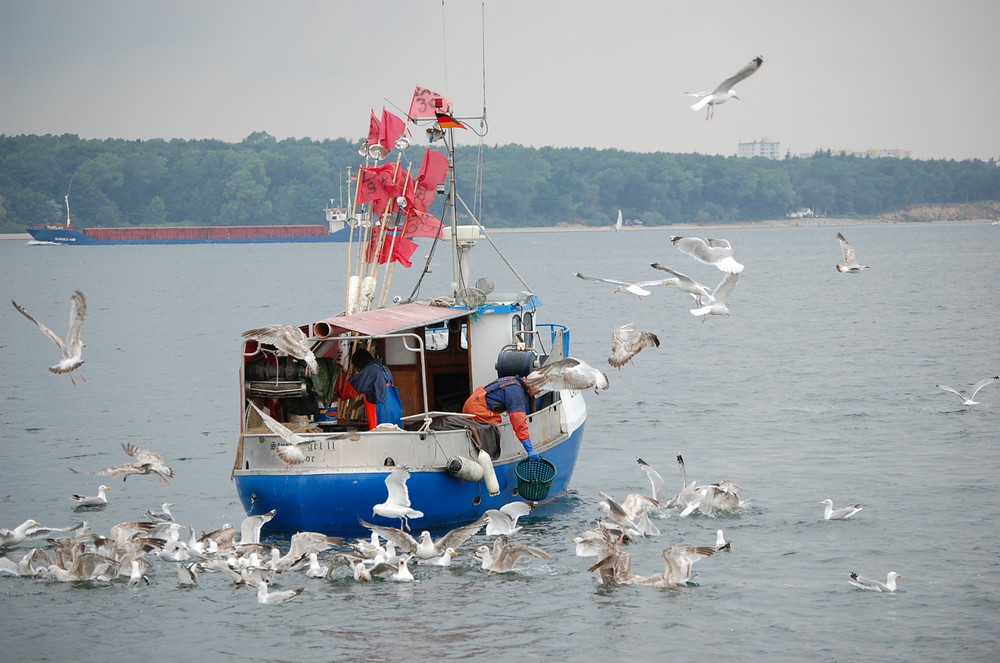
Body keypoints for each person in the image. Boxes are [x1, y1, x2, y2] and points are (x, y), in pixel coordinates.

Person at [462, 374, 539, 459]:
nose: (539, 392)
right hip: (478, 410)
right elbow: (519, 423)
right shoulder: (516, 393)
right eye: (539, 389)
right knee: (490, 432)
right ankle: (488, 459)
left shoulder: (514, 380)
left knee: (495, 421)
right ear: (532, 384)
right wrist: (529, 449)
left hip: (472, 402)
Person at [340, 348, 402, 430]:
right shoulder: (384, 368)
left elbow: (352, 388)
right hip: (395, 410)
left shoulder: (370, 370)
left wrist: (338, 394)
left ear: (359, 362)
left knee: (380, 437)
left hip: (382, 412)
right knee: (395, 435)